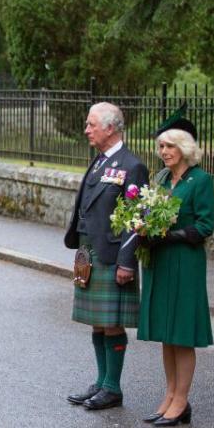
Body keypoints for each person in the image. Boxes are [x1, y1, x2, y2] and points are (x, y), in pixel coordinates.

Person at [64, 102, 149, 410]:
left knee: (111, 323)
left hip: (113, 255)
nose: (87, 129)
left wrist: (127, 262)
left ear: (110, 128)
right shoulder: (99, 162)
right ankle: (101, 382)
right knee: (97, 322)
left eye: (91, 125)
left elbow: (135, 218)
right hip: (89, 252)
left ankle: (113, 388)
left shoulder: (132, 165)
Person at [138, 104, 214, 426]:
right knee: (166, 333)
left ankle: (181, 400)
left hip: (185, 262)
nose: (163, 152)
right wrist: (141, 226)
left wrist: (169, 235)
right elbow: (145, 213)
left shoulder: (200, 181)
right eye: (160, 147)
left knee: (181, 333)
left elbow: (204, 226)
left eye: (169, 146)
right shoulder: (159, 179)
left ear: (184, 147)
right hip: (159, 261)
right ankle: (169, 395)